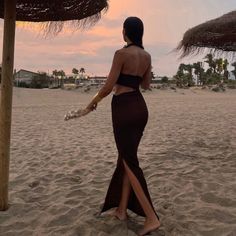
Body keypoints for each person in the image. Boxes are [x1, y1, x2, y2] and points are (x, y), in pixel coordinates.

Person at [86, 16, 160, 236]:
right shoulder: (146, 56)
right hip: (140, 108)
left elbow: (109, 86)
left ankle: (151, 216)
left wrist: (93, 102)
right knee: (126, 158)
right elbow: (146, 85)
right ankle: (121, 210)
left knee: (129, 160)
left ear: (125, 31)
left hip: (124, 109)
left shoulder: (121, 54)